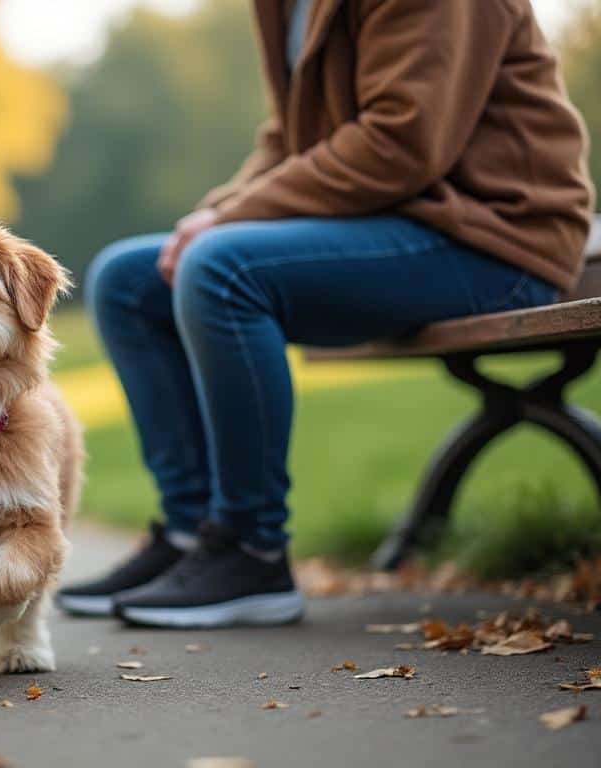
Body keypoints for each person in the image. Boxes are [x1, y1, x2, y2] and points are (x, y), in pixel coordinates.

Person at [57, 0, 595, 628]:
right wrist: (208, 216)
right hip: (394, 223)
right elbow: (291, 139)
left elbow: (400, 143)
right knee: (127, 280)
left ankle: (251, 548)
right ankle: (191, 534)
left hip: (497, 236)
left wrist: (227, 222)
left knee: (222, 268)